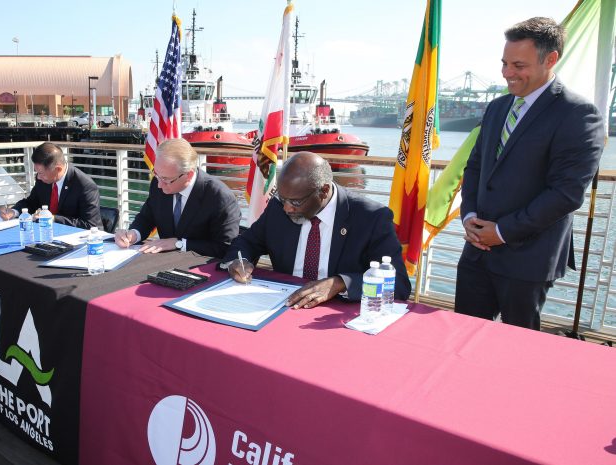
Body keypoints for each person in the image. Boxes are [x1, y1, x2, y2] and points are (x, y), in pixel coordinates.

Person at [456, 17, 605, 330]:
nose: (508, 73)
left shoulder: (579, 115)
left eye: (518, 65)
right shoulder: (496, 107)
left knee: (516, 355)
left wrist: (501, 232)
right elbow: (475, 167)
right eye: (504, 63)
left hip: (528, 261)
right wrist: (468, 216)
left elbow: (565, 194)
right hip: (476, 254)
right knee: (459, 341)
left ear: (551, 59)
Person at [224, 151, 411, 309]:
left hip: (335, 313)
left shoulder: (371, 217)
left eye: (296, 202)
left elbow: (400, 285)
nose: (287, 208)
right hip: (282, 304)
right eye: (283, 199)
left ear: (323, 191)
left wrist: (340, 283)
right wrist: (240, 261)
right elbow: (246, 241)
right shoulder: (277, 208)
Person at [114, 138, 241, 258]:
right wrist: (133, 235)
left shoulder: (220, 197)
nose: (159, 184)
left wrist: (179, 244)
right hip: (162, 262)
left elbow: (224, 247)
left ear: (189, 175)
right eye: (157, 175)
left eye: (166, 179)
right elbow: (146, 218)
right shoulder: (159, 182)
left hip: (200, 266)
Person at [0, 142, 102, 229]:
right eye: (37, 172)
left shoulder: (85, 186)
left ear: (58, 169)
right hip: (45, 234)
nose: (38, 177)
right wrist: (13, 211)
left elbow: (91, 225)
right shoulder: (43, 179)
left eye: (41, 173)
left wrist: (53, 219)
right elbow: (31, 202)